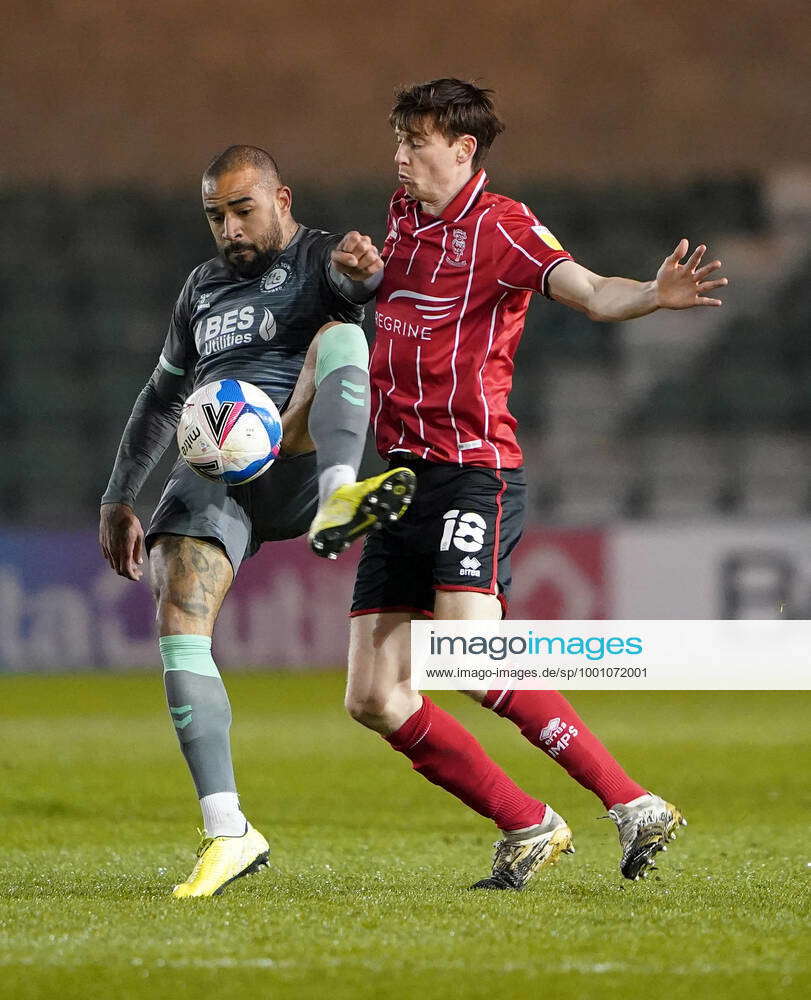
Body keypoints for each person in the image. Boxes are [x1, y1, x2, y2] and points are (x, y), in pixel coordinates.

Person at [345, 79, 727, 889]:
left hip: (470, 471)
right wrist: (358, 276)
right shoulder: (401, 216)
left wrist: (651, 298)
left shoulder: (504, 226)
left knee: (470, 652)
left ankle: (632, 803)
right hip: (401, 477)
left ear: (462, 149)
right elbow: (397, 310)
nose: (400, 156)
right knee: (374, 696)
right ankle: (526, 823)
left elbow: (588, 291)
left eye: (414, 142)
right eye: (398, 141)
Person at [99, 144, 415, 898]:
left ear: (281, 198)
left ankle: (344, 491)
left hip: (296, 449)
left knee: (342, 337)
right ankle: (228, 831)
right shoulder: (200, 289)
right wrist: (118, 497)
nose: (230, 228)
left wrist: (362, 273)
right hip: (213, 470)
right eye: (216, 216)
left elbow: (359, 284)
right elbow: (158, 398)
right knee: (178, 617)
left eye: (243, 209)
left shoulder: (318, 256)